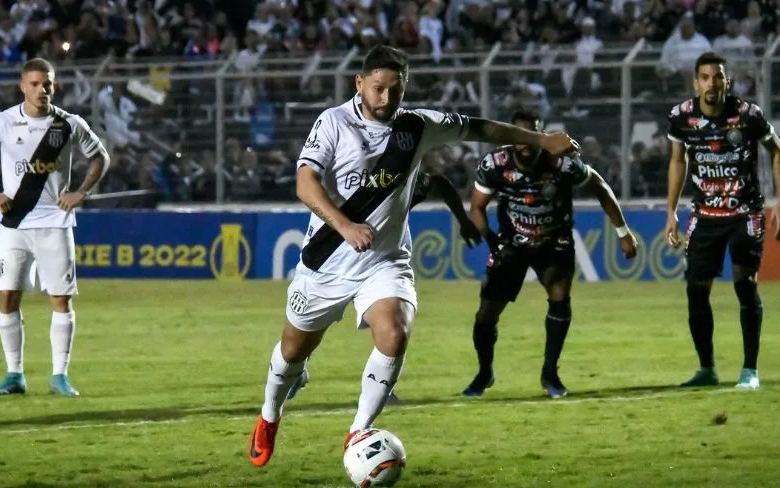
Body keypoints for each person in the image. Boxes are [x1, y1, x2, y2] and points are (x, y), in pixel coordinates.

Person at [248, 45, 578, 468]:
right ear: (360, 84)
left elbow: (483, 129)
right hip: (327, 259)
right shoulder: (332, 122)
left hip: (384, 262)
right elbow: (305, 182)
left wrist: (540, 140)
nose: (386, 100)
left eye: (396, 91)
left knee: (395, 333)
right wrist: (345, 226)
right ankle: (269, 416)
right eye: (379, 89)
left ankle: (359, 430)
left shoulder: (417, 126)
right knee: (292, 352)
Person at [0, 58, 111, 397]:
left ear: (55, 86)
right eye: (35, 84)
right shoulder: (3, 122)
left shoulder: (68, 124)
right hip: (13, 223)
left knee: (60, 298)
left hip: (54, 224)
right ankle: (14, 375)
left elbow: (100, 156)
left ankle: (60, 376)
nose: (42, 89)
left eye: (48, 83)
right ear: (22, 86)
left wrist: (81, 192)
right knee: (7, 296)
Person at [461, 110, 638, 399]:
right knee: (486, 313)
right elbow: (477, 208)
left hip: (554, 240)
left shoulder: (562, 164)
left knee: (559, 297)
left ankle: (550, 373)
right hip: (513, 244)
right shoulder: (495, 164)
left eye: (533, 136)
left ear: (541, 136)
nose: (526, 144)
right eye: (520, 137)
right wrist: (494, 245)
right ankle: (484, 372)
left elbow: (600, 187)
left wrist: (623, 231)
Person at [284, 169, 483, 403]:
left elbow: (438, 181)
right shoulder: (350, 171)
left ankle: (382, 384)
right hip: (332, 252)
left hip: (380, 256)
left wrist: (462, 220)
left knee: (388, 320)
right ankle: (298, 368)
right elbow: (310, 184)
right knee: (314, 320)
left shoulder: (399, 174)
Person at [664, 51, 780, 390]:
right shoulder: (681, 118)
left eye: (717, 76)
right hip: (705, 215)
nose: (711, 83)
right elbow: (678, 162)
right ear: (696, 82)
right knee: (695, 290)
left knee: (744, 284)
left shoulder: (747, 116)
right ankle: (707, 369)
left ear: (726, 82)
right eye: (705, 77)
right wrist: (671, 211)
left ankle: (750, 371)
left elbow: (777, 150)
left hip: (744, 213)